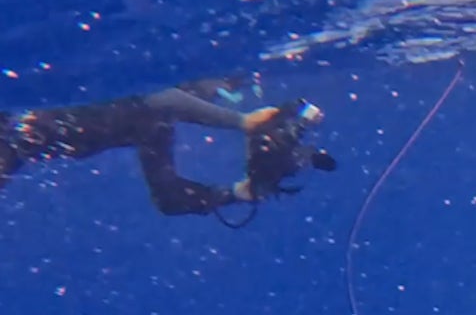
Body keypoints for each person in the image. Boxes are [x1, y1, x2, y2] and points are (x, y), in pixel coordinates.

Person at [0, 77, 336, 219]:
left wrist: (236, 192)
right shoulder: (145, 92)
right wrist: (240, 121)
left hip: (16, 143)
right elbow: (163, 99)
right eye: (222, 89)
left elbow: (168, 198)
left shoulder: (154, 130)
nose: (217, 94)